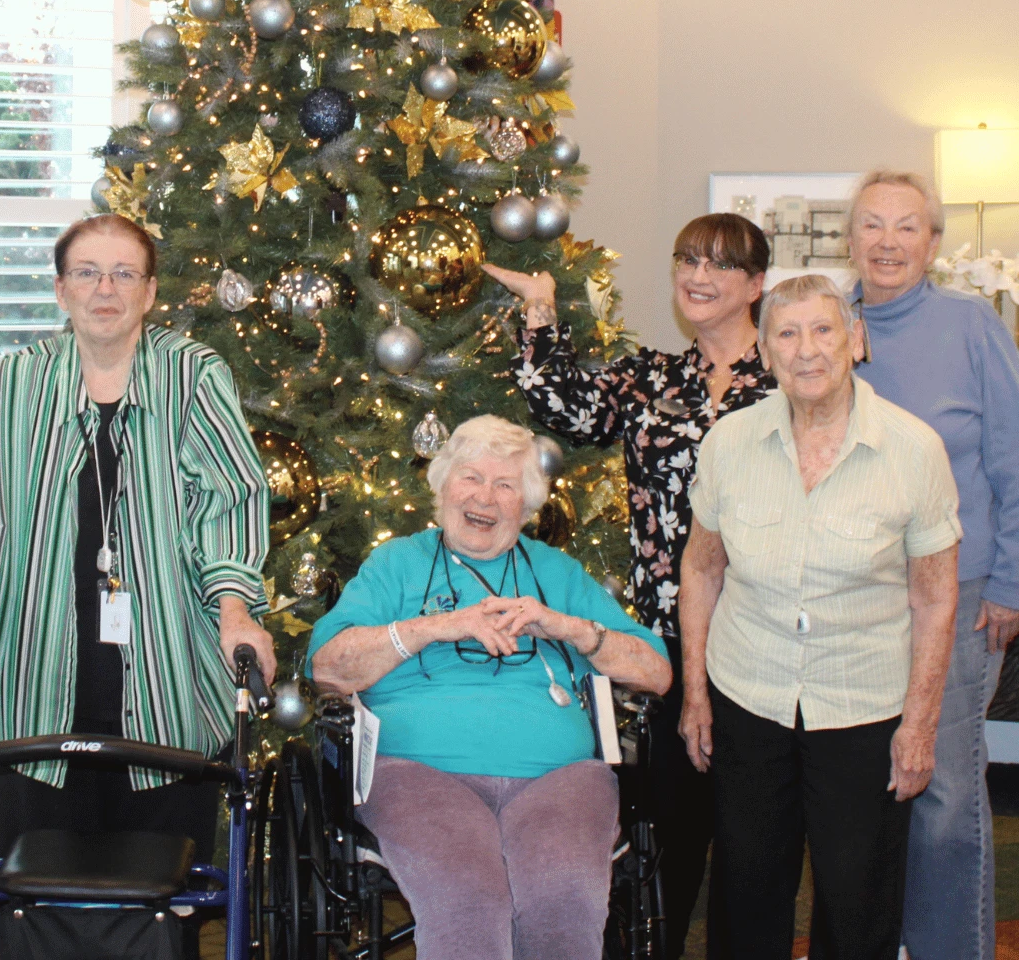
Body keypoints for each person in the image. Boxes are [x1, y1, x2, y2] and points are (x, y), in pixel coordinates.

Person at [0, 213, 274, 958]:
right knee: (44, 880)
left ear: (151, 292)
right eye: (87, 272)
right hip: (38, 658)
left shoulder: (194, 374)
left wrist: (233, 609)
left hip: (167, 666)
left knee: (163, 890)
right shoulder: (14, 379)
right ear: (61, 289)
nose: (105, 288)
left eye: (124, 273)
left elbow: (229, 499)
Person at [484, 212, 774, 957]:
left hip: (764, 635)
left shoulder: (785, 378)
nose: (699, 276)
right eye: (687, 260)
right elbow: (567, 410)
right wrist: (541, 308)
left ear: (756, 284)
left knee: (754, 836)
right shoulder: (654, 378)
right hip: (664, 641)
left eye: (720, 264)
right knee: (667, 828)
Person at [308, 415, 672, 960]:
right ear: (443, 486)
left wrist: (565, 626)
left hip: (560, 777)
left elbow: (656, 672)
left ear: (525, 507)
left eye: (506, 486)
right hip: (417, 772)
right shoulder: (396, 564)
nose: (486, 498)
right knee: (467, 898)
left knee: (564, 894)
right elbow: (329, 666)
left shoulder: (558, 573)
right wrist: (439, 626)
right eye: (471, 478)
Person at [678, 274, 961, 960]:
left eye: (824, 329)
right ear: (767, 354)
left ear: (855, 340)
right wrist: (694, 695)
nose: (808, 350)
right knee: (746, 889)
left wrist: (919, 727)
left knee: (857, 897)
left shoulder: (913, 448)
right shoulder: (730, 443)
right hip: (749, 695)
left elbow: (934, 596)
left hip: (863, 705)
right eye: (787, 333)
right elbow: (702, 567)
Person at [844, 170, 1019, 960]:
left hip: (962, 588)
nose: (888, 243)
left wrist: (1014, 581)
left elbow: (1013, 458)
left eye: (907, 227)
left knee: (945, 785)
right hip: (855, 596)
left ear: (934, 243)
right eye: (873, 226)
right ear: (850, 238)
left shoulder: (970, 323)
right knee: (867, 785)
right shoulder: (824, 323)